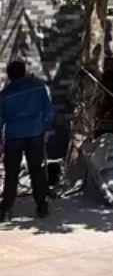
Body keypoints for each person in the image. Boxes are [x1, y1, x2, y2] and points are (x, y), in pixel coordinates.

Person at [0, 60, 53, 221]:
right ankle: (42, 207)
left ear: (9, 76)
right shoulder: (38, 87)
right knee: (36, 171)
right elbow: (48, 109)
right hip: (35, 132)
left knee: (12, 174)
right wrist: (47, 128)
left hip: (14, 136)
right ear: (24, 71)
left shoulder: (5, 95)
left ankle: (6, 209)